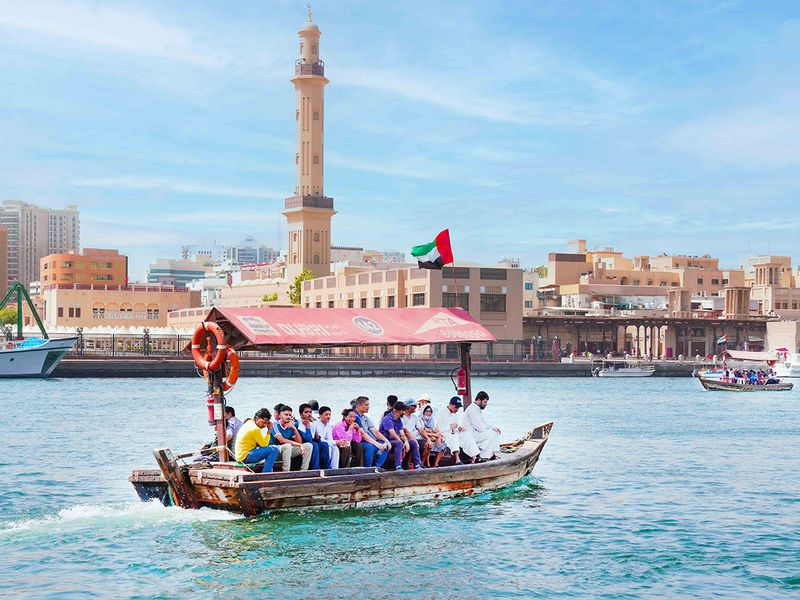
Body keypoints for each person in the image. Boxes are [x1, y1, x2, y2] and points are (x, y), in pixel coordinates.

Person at [379, 400, 422, 471]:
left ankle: (417, 465)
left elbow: (402, 433)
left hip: (395, 439)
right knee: (399, 443)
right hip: (386, 440)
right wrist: (402, 443)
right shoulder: (387, 419)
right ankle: (398, 466)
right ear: (396, 410)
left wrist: (406, 442)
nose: (404, 412)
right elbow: (392, 433)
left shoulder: (399, 420)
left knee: (413, 442)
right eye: (402, 410)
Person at [460, 391, 501, 462]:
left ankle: (491, 453)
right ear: (479, 400)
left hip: (475, 433)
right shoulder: (472, 409)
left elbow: (483, 423)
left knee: (495, 431)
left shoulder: (476, 408)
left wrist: (492, 427)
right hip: (470, 435)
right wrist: (490, 430)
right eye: (485, 402)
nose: (486, 404)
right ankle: (484, 455)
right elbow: (479, 427)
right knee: (491, 434)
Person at [270, 405, 313, 471]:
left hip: (287, 451)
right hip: (275, 451)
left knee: (308, 446)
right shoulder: (275, 424)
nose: (288, 417)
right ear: (281, 415)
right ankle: (286, 472)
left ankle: (303, 471)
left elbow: (299, 442)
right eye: (286, 415)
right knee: (287, 446)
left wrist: (294, 429)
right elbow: (282, 440)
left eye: (290, 415)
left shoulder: (291, 425)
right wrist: (299, 445)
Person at [353, 396, 391, 468]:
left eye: (368, 405)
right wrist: (376, 444)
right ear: (358, 405)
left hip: (369, 440)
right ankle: (368, 468)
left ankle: (377, 467)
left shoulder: (366, 417)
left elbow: (375, 432)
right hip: (359, 441)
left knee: (384, 445)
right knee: (370, 447)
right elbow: (363, 434)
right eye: (366, 405)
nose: (368, 407)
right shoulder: (355, 417)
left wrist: (386, 440)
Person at [297, 403, 329, 469]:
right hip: (303, 445)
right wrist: (307, 427)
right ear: (301, 414)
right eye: (306, 412)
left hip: (312, 443)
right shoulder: (298, 424)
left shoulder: (312, 422)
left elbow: (318, 439)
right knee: (314, 445)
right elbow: (308, 439)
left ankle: (326, 468)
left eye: (310, 412)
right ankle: (315, 468)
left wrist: (316, 430)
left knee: (324, 444)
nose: (309, 414)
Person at [402, 398, 432, 468]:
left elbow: (421, 430)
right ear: (409, 407)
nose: (416, 407)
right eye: (414, 406)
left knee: (427, 445)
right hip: (405, 438)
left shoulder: (415, 417)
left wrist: (428, 439)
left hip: (414, 437)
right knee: (413, 443)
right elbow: (405, 432)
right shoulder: (402, 417)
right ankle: (408, 465)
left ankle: (420, 463)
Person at [439, 397, 465, 465]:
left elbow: (456, 426)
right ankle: (457, 459)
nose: (457, 409)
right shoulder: (441, 412)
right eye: (455, 407)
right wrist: (449, 426)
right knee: (454, 437)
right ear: (450, 404)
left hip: (453, 432)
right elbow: (437, 428)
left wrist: (458, 428)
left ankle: (473, 456)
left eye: (458, 407)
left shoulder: (455, 414)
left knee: (466, 435)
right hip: (444, 434)